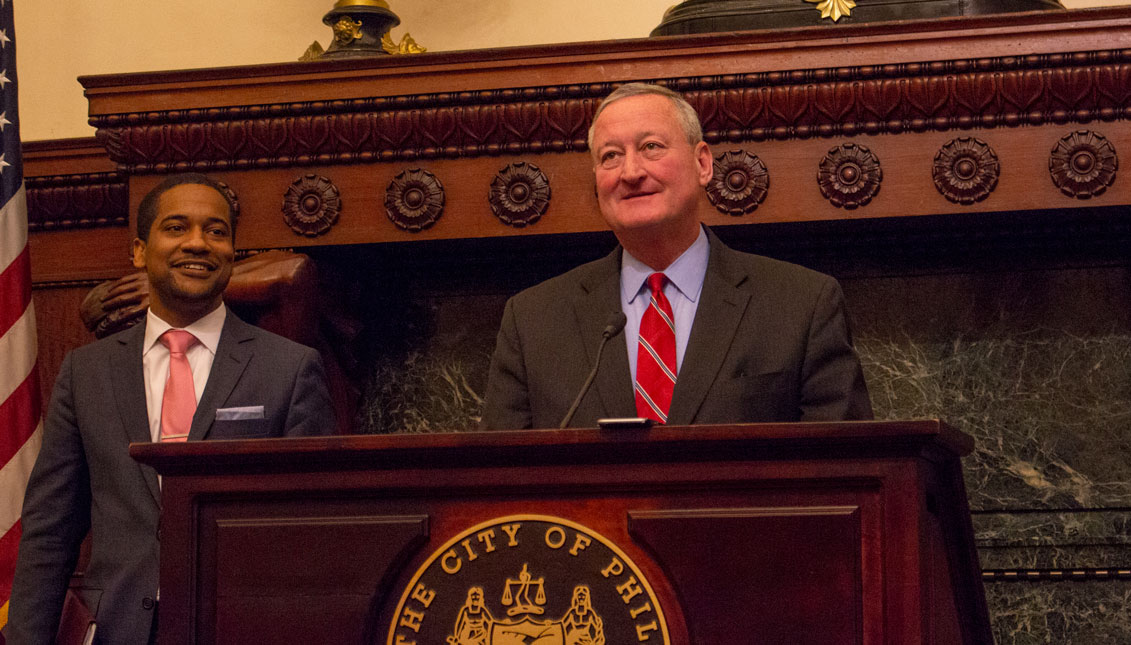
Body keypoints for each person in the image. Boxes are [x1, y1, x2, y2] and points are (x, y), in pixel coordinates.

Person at [9, 174, 335, 645]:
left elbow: (314, 534)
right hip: (116, 629)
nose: (198, 244)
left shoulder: (290, 368)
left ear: (232, 252)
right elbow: (49, 533)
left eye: (217, 231)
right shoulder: (87, 373)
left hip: (243, 629)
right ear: (139, 252)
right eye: (177, 228)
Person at [481, 83, 871, 429]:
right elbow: (496, 483)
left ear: (703, 163)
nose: (630, 172)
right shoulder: (532, 320)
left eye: (651, 147)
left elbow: (850, 475)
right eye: (610, 156)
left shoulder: (802, 303)